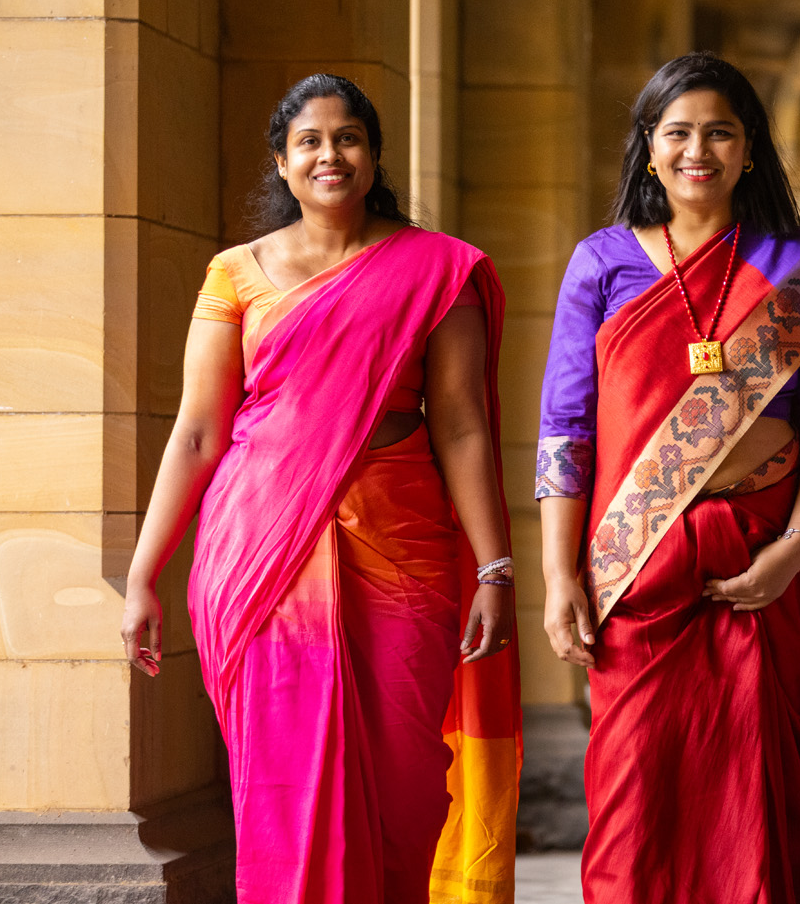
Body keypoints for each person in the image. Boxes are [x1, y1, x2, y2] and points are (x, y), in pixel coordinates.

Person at [119, 74, 521, 904]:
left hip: (401, 540)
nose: (329, 154)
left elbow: (461, 425)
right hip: (261, 548)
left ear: (372, 157)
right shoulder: (236, 273)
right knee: (282, 786)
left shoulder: (434, 270)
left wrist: (495, 567)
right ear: (282, 160)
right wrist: (142, 571)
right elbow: (198, 430)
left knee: (408, 784)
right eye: (310, 140)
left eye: (347, 138)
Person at [537, 52, 800, 904]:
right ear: (649, 149)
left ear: (751, 150)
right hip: (637, 565)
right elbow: (566, 430)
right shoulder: (603, 262)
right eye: (679, 132)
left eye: (721, 132)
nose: (700, 150)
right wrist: (556, 575)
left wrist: (798, 550)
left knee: (757, 806)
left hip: (767, 565)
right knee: (632, 797)